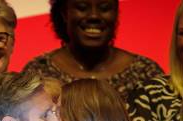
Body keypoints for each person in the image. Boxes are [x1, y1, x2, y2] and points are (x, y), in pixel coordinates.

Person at [23, 0, 162, 102]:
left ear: (116, 13)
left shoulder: (145, 73)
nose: (94, 16)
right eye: (82, 7)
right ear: (64, 13)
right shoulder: (38, 72)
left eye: (105, 8)